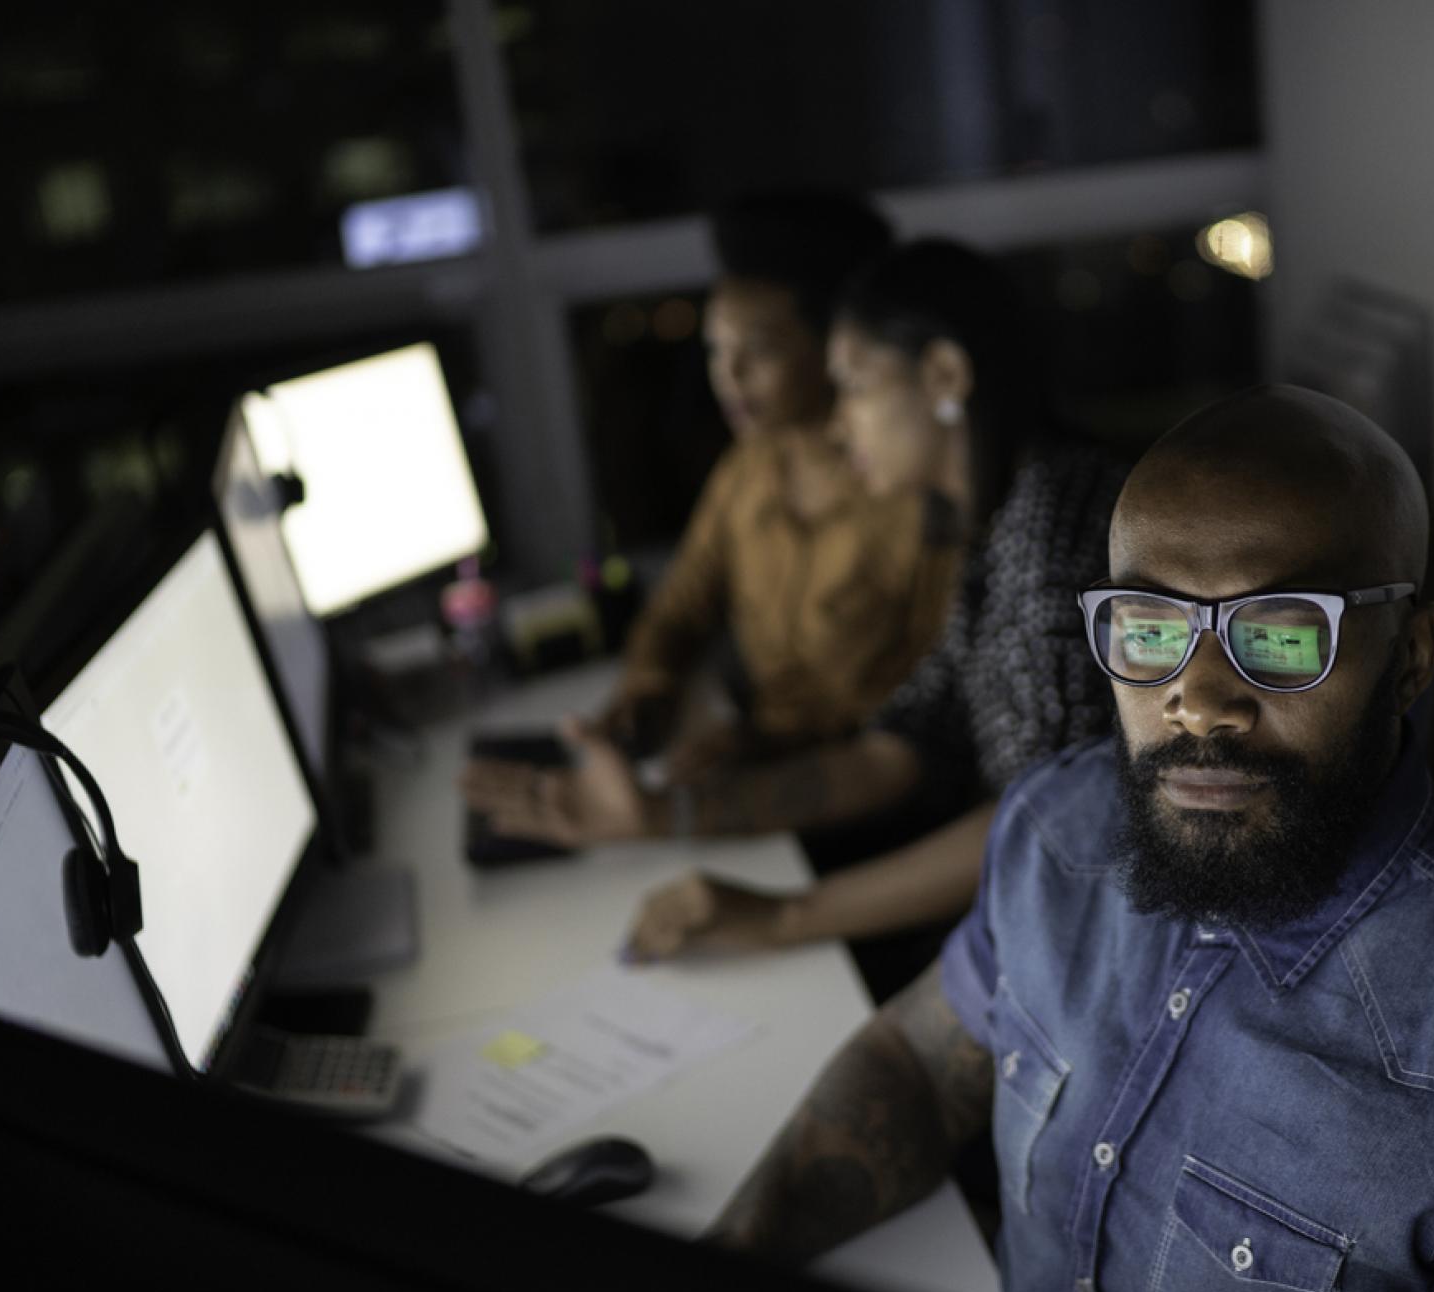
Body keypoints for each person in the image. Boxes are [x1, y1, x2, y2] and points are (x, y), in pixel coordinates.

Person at [700, 386, 1434, 1292]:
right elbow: (921, 1065)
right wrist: (705, 1279)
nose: (1197, 702)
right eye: (1150, 633)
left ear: (1413, 656)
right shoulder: (1052, 833)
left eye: (1282, 635)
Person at [462, 240, 1127, 984]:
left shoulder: (1055, 526)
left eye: (853, 386)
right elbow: (900, 748)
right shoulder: (988, 523)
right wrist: (661, 813)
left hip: (1084, 953)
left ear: (944, 376)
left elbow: (1049, 831)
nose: (840, 426)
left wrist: (783, 916)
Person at [595, 190, 952, 779]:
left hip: (852, 792)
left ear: (836, 347)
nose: (728, 377)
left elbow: (926, 717)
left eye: (757, 352)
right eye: (716, 350)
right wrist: (649, 685)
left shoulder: (912, 492)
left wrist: (762, 750)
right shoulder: (747, 469)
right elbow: (679, 608)